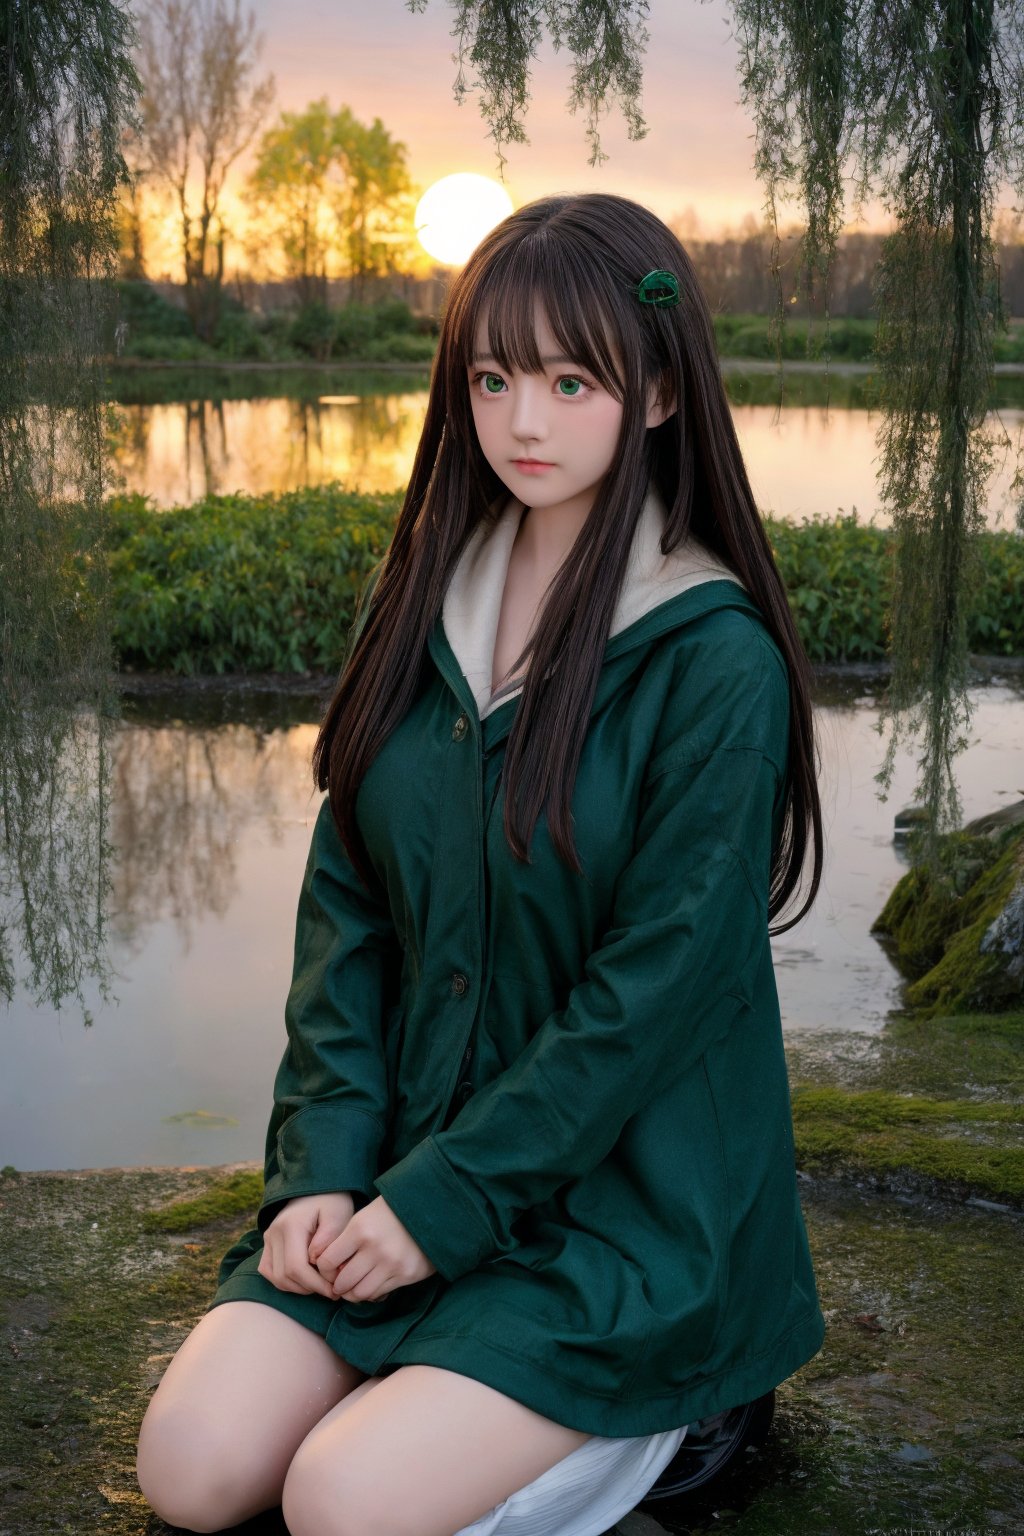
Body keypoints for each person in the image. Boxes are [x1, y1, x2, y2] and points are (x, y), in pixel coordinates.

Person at [136, 191, 827, 1536]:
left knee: (339, 1499)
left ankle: (694, 1400)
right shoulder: (425, 602)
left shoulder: (711, 661)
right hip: (396, 1170)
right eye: (495, 376)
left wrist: (439, 1210)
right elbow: (351, 921)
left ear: (662, 395)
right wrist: (323, 1173)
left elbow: (645, 1005)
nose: (522, 422)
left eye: (574, 382)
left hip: (619, 1209)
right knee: (197, 1468)